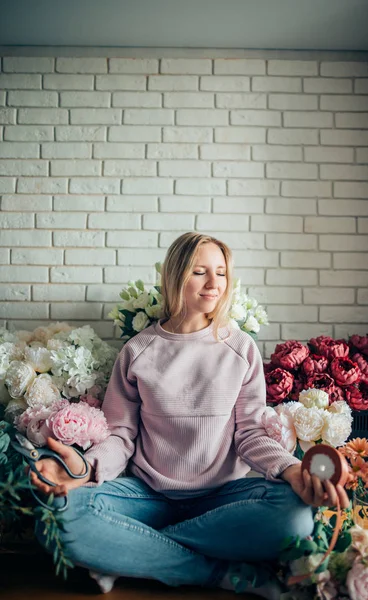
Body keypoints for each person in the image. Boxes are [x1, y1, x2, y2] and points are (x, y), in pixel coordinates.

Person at [32, 232, 349, 598]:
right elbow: (120, 436)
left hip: (224, 498)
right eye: (200, 272)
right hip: (147, 495)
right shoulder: (138, 351)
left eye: (221, 273)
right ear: (175, 276)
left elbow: (249, 433)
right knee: (54, 516)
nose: (214, 283)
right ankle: (215, 571)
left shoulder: (240, 348)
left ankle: (128, 554)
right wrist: (83, 469)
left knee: (296, 516)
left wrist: (291, 469)